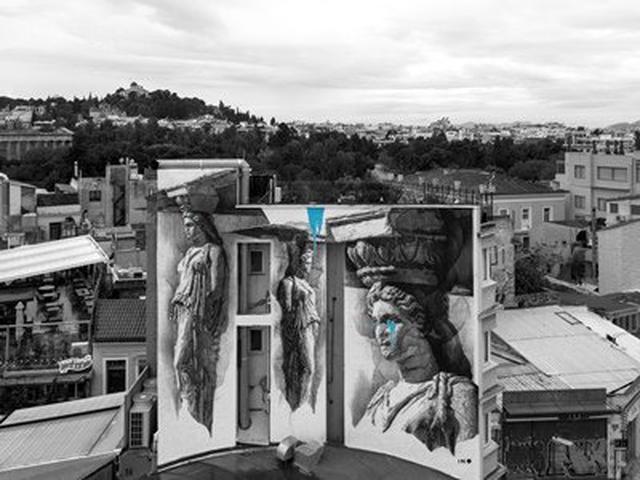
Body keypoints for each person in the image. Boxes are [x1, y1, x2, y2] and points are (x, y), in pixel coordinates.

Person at [361, 281, 477, 454]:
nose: (381, 331)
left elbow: (465, 456)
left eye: (390, 321)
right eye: (377, 322)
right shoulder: (380, 398)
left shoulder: (455, 394)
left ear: (420, 324)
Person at [170, 207, 228, 435]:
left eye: (190, 225)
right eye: (185, 226)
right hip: (184, 310)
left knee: (183, 362)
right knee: (184, 364)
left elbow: (215, 288)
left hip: (197, 313)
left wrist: (204, 312)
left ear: (202, 226)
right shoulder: (189, 253)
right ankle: (190, 406)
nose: (187, 230)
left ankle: (197, 411)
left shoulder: (213, 251)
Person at [277, 236, 321, 411]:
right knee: (308, 367)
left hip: (312, 325)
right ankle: (300, 404)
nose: (308, 267)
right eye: (306, 263)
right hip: (300, 327)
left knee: (308, 367)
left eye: (310, 263)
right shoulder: (289, 283)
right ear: (298, 262)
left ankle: (305, 402)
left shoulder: (306, 284)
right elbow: (287, 310)